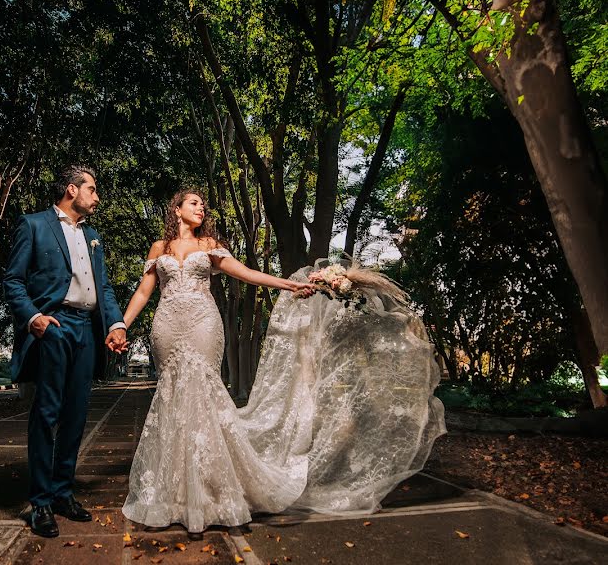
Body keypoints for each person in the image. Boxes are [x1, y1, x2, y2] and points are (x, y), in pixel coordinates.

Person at [121, 189, 446, 536]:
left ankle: (215, 497)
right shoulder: (160, 249)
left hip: (202, 322)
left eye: (203, 204)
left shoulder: (209, 245)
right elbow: (144, 291)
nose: (201, 208)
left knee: (202, 396)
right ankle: (173, 497)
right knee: (172, 399)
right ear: (177, 209)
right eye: (194, 203)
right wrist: (120, 325)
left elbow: (245, 273)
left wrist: (287, 285)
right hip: (168, 324)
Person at [3, 165, 127, 538]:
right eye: (92, 189)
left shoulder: (93, 236)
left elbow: (103, 288)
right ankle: (40, 502)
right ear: (71, 190)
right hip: (53, 326)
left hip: (87, 330)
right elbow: (13, 279)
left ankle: (62, 493)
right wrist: (33, 318)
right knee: (47, 412)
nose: (97, 196)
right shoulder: (34, 225)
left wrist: (117, 323)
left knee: (76, 414)